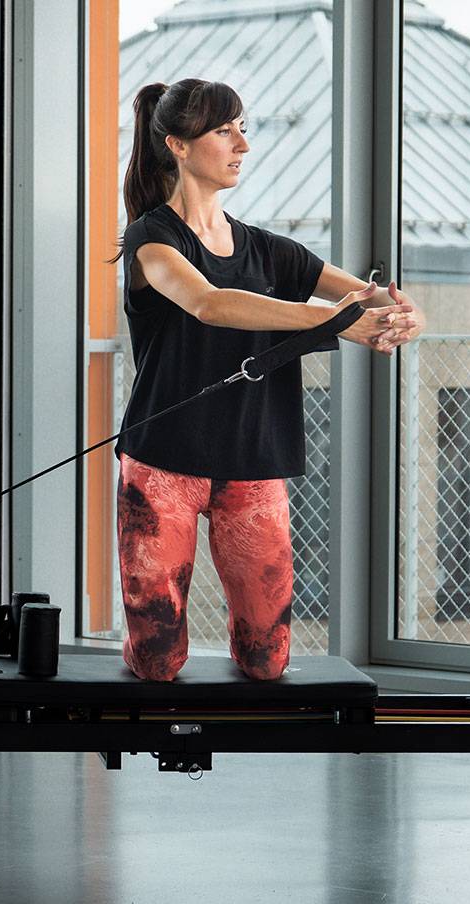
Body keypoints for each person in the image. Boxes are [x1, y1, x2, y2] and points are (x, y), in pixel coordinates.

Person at [114, 78, 426, 682]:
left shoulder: (269, 251)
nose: (242, 146)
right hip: (162, 466)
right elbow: (210, 302)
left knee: (267, 660)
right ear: (177, 145)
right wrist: (336, 322)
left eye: (242, 130)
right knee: (157, 662)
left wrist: (400, 313)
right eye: (225, 132)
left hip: (253, 463)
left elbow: (369, 295)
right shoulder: (151, 239)